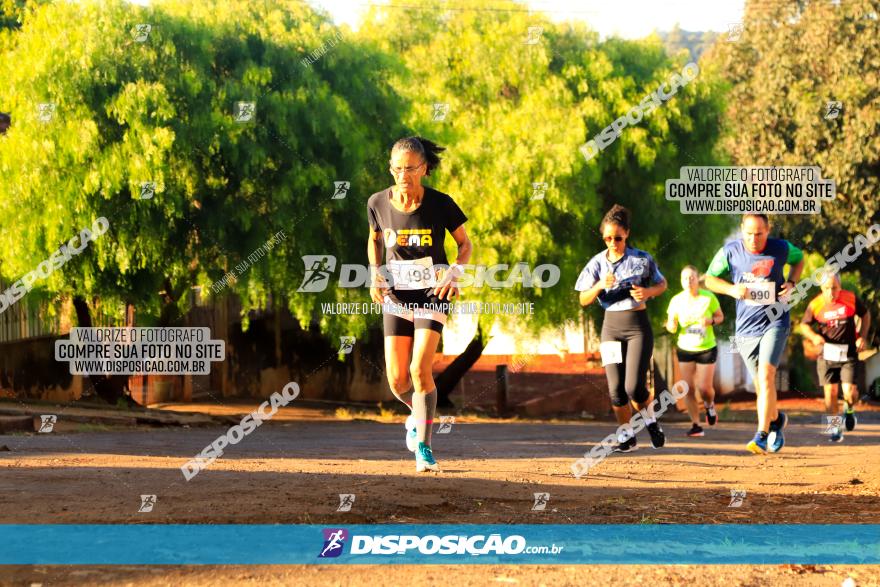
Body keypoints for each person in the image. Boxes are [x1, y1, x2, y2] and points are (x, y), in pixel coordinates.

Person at [367, 136, 472, 472]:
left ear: (424, 169)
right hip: (396, 296)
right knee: (398, 381)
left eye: (410, 169)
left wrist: (454, 273)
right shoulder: (377, 203)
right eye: (397, 169)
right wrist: (375, 273)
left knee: (419, 369)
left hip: (432, 293)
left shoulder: (441, 204)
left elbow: (465, 245)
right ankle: (417, 415)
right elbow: (374, 240)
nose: (403, 175)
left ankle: (424, 448)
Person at [704, 213, 804, 454]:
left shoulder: (780, 248)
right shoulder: (731, 251)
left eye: (759, 233)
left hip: (775, 321)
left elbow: (799, 259)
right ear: (742, 230)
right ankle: (777, 420)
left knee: (767, 376)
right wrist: (730, 289)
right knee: (761, 385)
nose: (753, 238)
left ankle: (761, 434)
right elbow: (709, 279)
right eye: (748, 233)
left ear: (767, 231)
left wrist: (792, 283)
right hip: (747, 327)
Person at [575, 204, 669, 452]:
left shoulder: (641, 259)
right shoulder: (596, 263)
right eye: (608, 238)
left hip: (637, 326)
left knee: (634, 387)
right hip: (611, 328)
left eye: (617, 237)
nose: (613, 243)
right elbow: (583, 300)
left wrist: (648, 291)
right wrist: (598, 286)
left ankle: (651, 422)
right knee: (616, 391)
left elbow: (662, 284)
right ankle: (626, 437)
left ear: (626, 233)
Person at [798, 273, 870, 442]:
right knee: (830, 393)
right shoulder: (815, 304)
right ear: (821, 289)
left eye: (834, 288)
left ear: (840, 287)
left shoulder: (850, 299)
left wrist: (863, 337)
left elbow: (866, 315)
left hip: (848, 353)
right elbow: (804, 324)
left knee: (850, 393)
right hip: (827, 354)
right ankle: (835, 429)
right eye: (827, 288)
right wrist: (813, 336)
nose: (831, 292)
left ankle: (849, 408)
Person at [665, 265, 724, 437]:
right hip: (685, 347)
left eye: (691, 277)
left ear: (697, 279)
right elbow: (670, 324)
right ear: (681, 281)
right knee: (689, 388)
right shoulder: (676, 300)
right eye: (684, 278)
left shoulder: (708, 297)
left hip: (706, 347)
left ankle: (709, 405)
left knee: (704, 388)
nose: (688, 281)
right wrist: (671, 325)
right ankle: (696, 425)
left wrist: (710, 321)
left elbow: (720, 317)